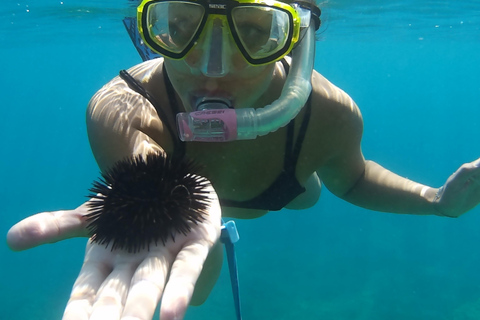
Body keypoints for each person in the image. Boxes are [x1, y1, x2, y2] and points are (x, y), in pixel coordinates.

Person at [6, 0, 480, 319]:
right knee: (199, 285)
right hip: (196, 209)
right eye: (183, 27)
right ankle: (216, 228)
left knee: (307, 195)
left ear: (296, 41)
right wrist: (171, 225)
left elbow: (352, 180)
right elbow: (149, 184)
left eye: (254, 33)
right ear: (157, 30)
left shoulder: (327, 113)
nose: (213, 68)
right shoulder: (123, 106)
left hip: (287, 190)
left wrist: (435, 200)